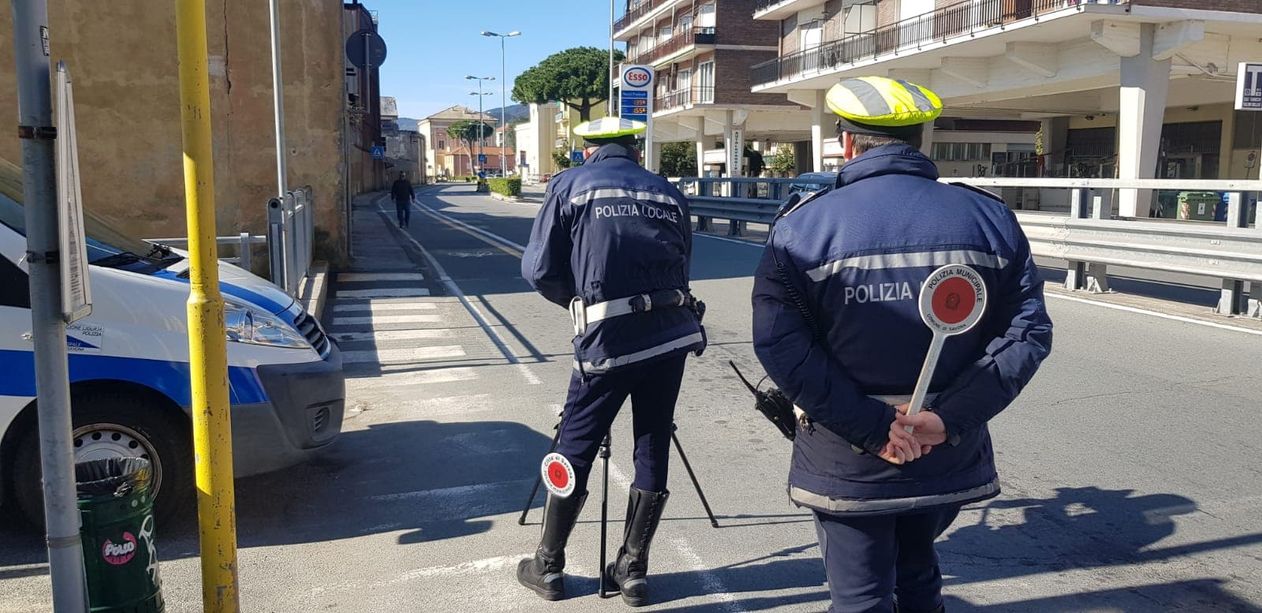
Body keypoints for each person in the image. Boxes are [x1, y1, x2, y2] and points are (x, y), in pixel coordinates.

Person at [751, 76, 1053, 613]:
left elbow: (780, 346)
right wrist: (949, 418)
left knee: (860, 596)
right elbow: (1027, 332)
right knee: (917, 577)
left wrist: (873, 428)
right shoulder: (990, 218)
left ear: (846, 142)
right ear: (922, 138)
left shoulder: (803, 226)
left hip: (848, 457)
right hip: (945, 452)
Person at [516, 117, 705, 606]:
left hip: (606, 342)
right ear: (633, 151)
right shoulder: (667, 191)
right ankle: (634, 570)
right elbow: (682, 263)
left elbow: (539, 269)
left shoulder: (571, 186)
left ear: (588, 151)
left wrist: (583, 306)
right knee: (652, 441)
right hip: (670, 335)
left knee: (576, 443)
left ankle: (549, 565)